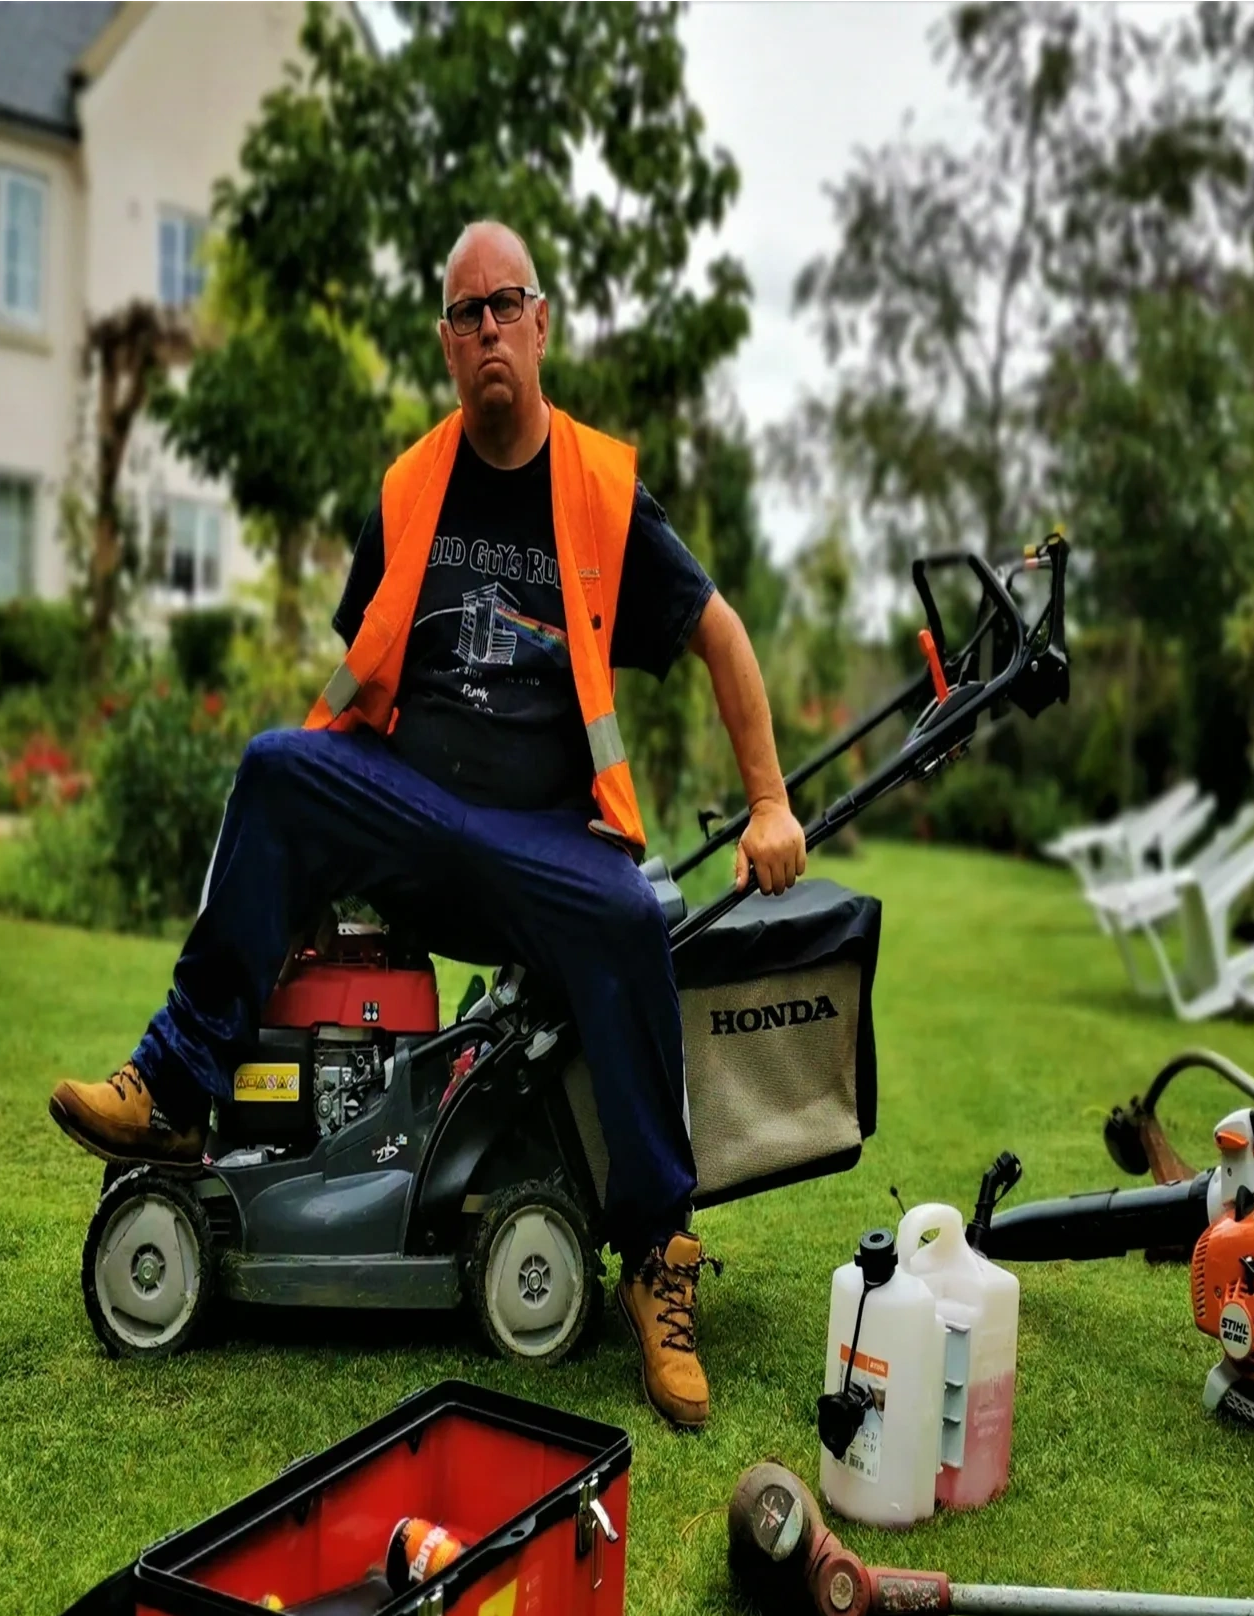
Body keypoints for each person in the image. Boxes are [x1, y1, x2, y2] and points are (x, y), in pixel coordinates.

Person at [49, 220, 806, 1429]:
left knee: (628, 918)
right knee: (275, 763)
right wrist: (312, 828)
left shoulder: (603, 491)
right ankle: (175, 1083)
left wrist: (769, 800)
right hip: (409, 810)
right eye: (465, 314)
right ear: (447, 345)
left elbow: (717, 631)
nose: (488, 329)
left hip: (547, 842)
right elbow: (357, 672)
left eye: (506, 305)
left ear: (541, 323)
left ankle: (658, 1260)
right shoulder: (409, 487)